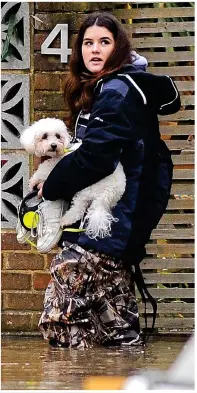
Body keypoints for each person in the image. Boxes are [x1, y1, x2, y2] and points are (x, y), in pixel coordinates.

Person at [37, 12, 181, 348]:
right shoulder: (110, 88)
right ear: (79, 50)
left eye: (105, 42)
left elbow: (97, 156)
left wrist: (53, 186)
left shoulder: (116, 90)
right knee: (119, 336)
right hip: (116, 234)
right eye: (88, 42)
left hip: (104, 231)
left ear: (118, 49)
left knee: (61, 327)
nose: (95, 49)